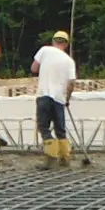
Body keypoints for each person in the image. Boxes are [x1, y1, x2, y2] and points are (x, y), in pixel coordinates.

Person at [32, 30, 78, 166]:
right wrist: (67, 99)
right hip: (59, 99)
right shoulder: (69, 61)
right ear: (66, 44)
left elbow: (34, 68)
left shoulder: (45, 50)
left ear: (53, 41)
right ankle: (65, 158)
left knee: (44, 127)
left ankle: (51, 156)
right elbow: (71, 83)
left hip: (44, 95)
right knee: (60, 130)